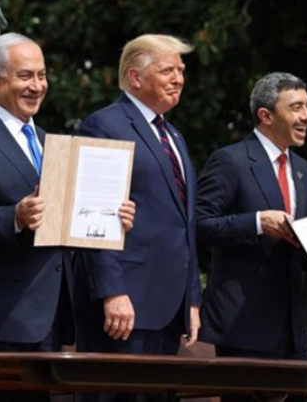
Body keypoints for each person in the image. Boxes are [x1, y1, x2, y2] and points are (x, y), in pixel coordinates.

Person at [0, 32, 135, 402]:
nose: (37, 86)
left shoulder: (45, 140)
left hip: (48, 313)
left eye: (42, 75)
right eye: (25, 76)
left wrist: (112, 217)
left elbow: (64, 218)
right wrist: (14, 217)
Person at [196, 72, 307, 402]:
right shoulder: (230, 160)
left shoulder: (302, 169)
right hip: (243, 324)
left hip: (294, 327)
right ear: (266, 115)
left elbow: (299, 241)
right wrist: (258, 222)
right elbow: (199, 225)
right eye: (296, 107)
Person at [72, 34, 202, 402]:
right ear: (135, 77)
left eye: (181, 70)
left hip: (168, 306)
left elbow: (185, 223)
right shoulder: (104, 125)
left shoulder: (173, 135)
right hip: (125, 304)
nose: (178, 79)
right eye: (167, 70)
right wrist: (112, 291)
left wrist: (191, 299)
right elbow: (92, 218)